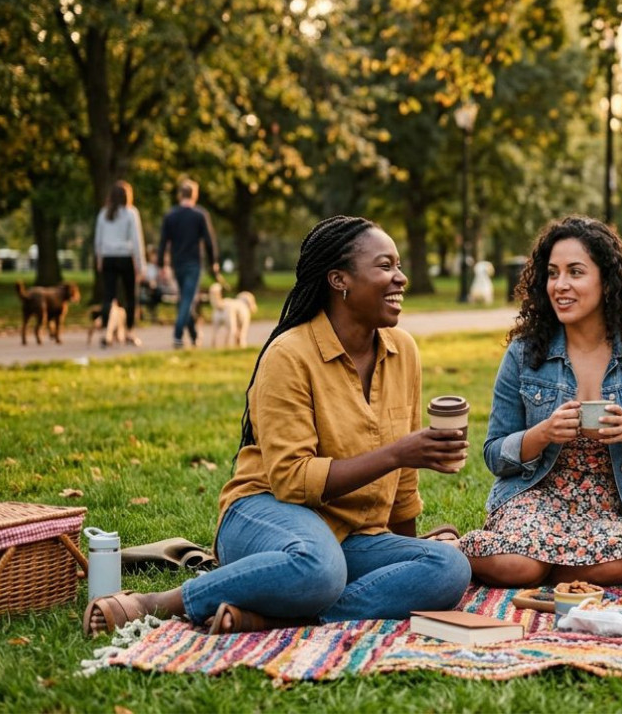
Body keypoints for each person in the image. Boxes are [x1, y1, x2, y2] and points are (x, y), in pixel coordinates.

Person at [83, 216, 471, 636]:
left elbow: (404, 484)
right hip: (266, 514)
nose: (401, 277)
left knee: (448, 566)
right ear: (339, 280)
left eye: (398, 266)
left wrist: (406, 550)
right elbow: (290, 479)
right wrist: (397, 453)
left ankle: (278, 618)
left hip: (349, 536)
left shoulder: (403, 351)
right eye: (385, 266)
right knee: (319, 566)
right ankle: (161, 603)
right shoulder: (289, 355)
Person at [460, 216, 622, 587]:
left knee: (618, 566)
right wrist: (542, 434)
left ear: (606, 280)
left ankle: (534, 564)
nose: (560, 285)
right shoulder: (524, 353)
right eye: (553, 273)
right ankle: (497, 556)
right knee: (520, 567)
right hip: (535, 496)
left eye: (575, 272)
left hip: (610, 507)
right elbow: (494, 453)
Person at [157, 177, 220, 349]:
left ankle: (193, 335)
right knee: (188, 299)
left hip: (177, 263)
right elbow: (209, 241)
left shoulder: (171, 216)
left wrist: (162, 264)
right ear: (195, 195)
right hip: (193, 263)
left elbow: (163, 242)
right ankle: (178, 335)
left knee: (186, 299)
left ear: (180, 195)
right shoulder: (200, 215)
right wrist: (214, 262)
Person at [93, 180, 146, 347]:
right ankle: (130, 331)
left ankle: (106, 333)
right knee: (131, 296)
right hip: (125, 257)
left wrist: (99, 258)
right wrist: (140, 263)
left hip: (108, 257)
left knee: (109, 296)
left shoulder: (103, 214)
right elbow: (137, 240)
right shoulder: (131, 213)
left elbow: (98, 240)